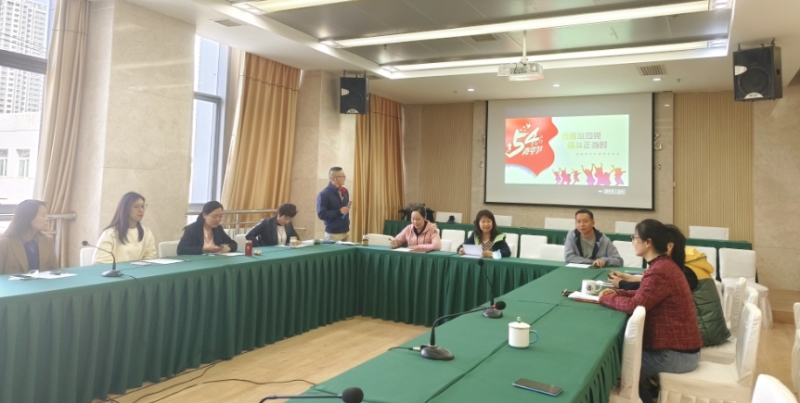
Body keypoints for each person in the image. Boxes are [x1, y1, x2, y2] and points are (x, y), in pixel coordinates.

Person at [598, 219, 702, 403]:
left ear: (648, 242)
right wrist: (617, 292)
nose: (632, 242)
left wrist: (606, 298)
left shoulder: (660, 270)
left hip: (676, 355)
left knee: (611, 367)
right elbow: (644, 295)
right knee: (620, 360)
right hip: (678, 350)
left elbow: (635, 305)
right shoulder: (663, 265)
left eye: (634, 238)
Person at [92, 192, 157, 264]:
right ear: (125, 209)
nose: (141, 210)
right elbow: (101, 261)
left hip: (139, 271)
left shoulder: (146, 233)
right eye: (136, 207)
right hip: (117, 271)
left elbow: (150, 258)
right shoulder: (110, 233)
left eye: (142, 206)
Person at [0, 200, 58, 275]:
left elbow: (55, 272)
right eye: (43, 216)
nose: (47, 219)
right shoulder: (4, 243)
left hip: (43, 283)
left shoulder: (48, 241)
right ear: (29, 217)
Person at [317, 167, 350, 241]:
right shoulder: (324, 194)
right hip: (333, 234)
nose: (344, 178)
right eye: (343, 176)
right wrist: (339, 211)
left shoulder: (345, 191)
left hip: (346, 231)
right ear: (336, 179)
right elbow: (321, 214)